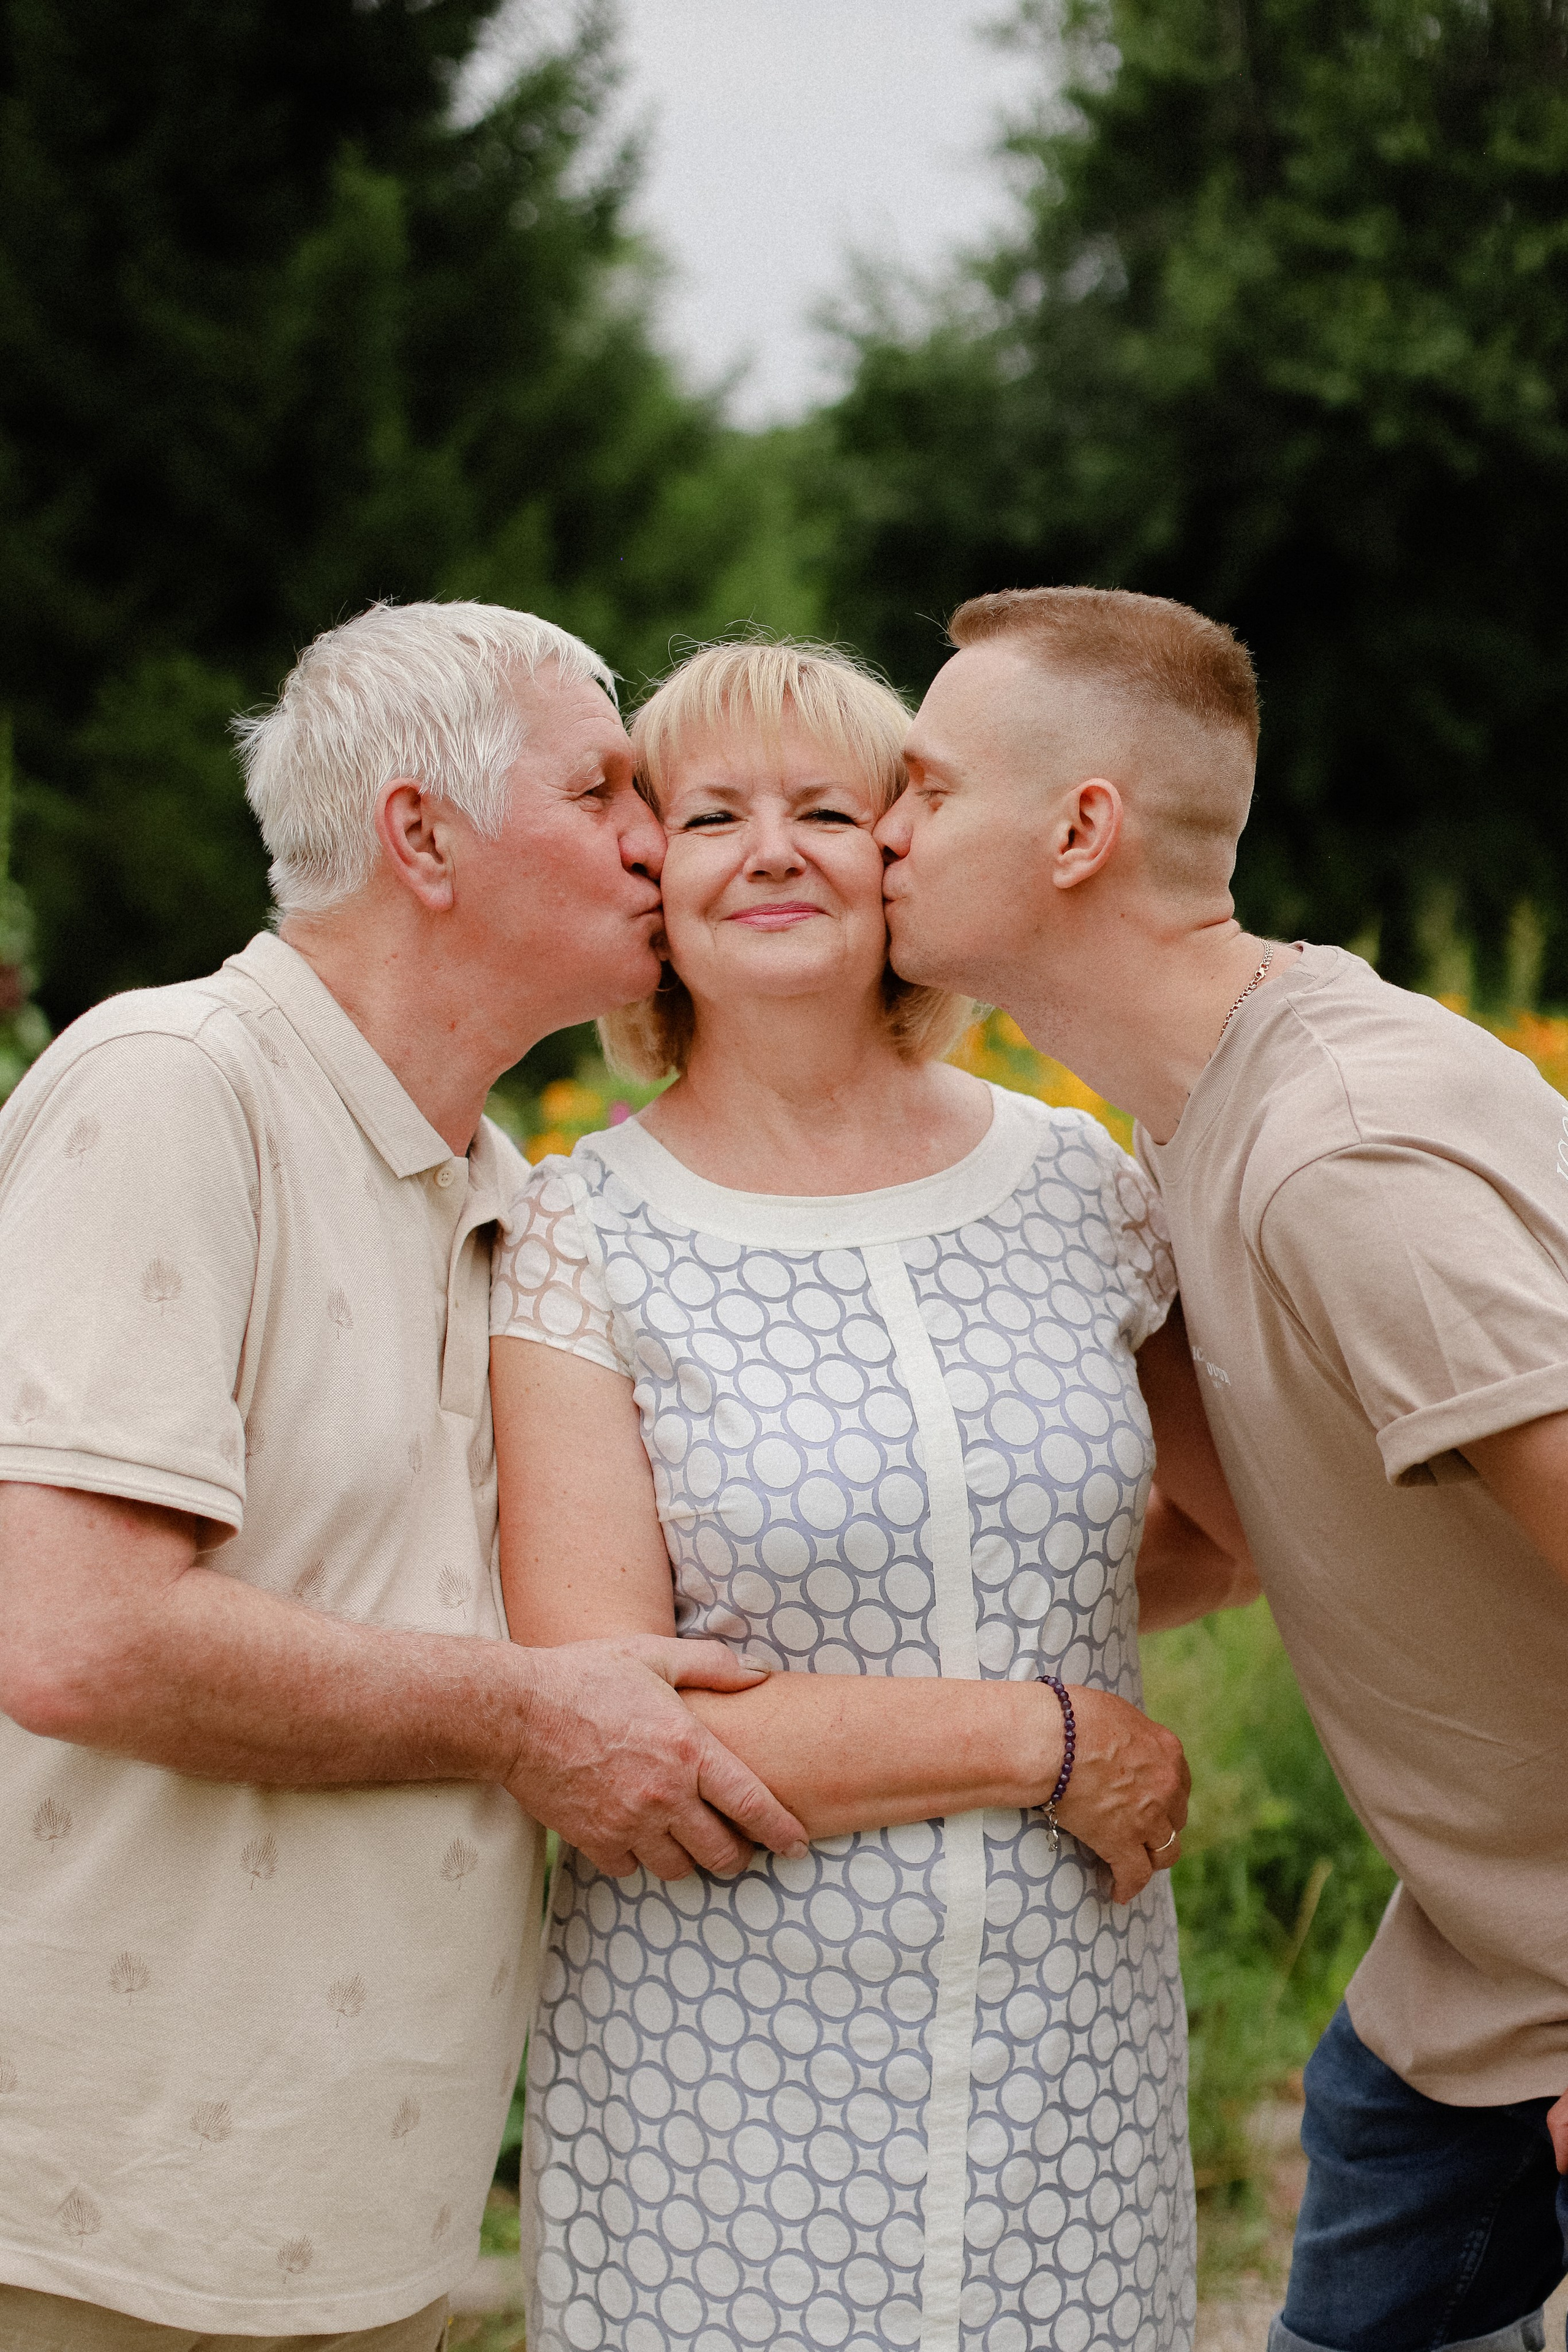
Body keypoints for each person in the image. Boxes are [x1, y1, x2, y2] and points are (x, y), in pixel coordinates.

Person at [0, 601, 810, 2352]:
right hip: (92, 2235)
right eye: (604, 788)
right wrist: (532, 1719)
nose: (657, 842)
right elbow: (75, 1635)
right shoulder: (173, 1090)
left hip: (364, 2227)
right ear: (420, 837)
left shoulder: (513, 1188)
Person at [489, 638, 1256, 2352]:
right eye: (710, 817)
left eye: (829, 808)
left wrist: (1037, 1617)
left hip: (1066, 2041)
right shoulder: (580, 1231)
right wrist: (1044, 1730)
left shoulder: (1072, 1177)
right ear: (653, 886)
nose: (773, 848)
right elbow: (620, 1720)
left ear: (899, 857)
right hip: (718, 2067)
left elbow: (1246, 1530)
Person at [876, 582, 1568, 2352]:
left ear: (1080, 830)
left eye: (930, 787)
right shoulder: (1197, 1127)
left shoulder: (1342, 1158)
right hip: (1469, 1991)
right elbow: (1237, 1542)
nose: (880, 826)